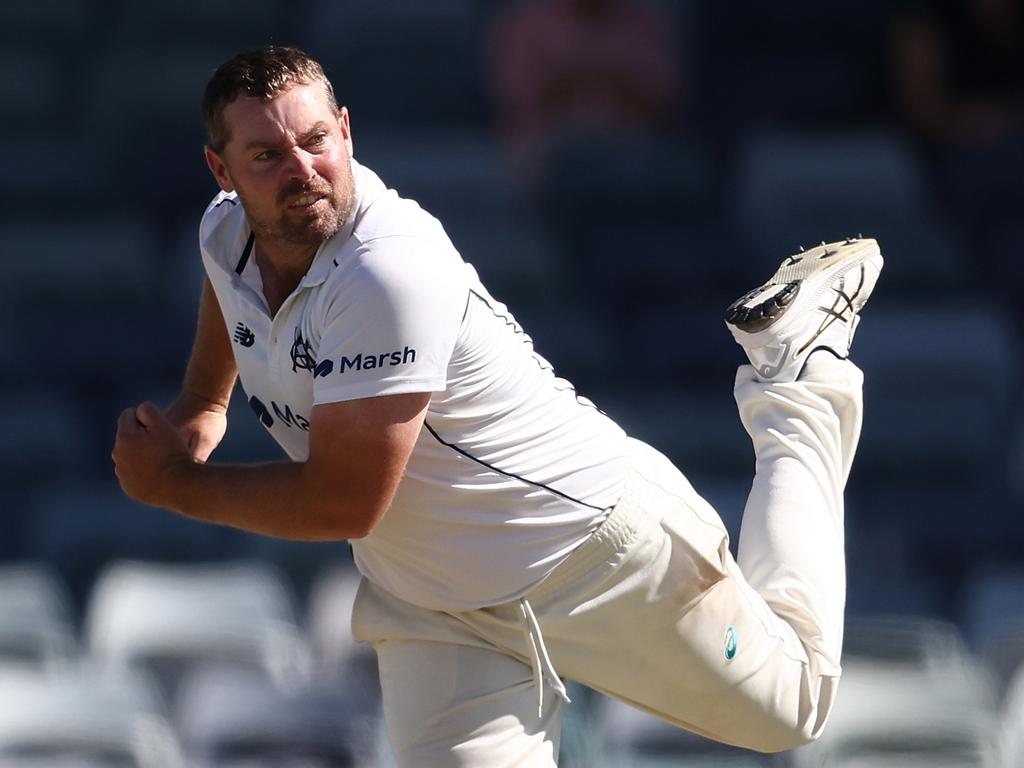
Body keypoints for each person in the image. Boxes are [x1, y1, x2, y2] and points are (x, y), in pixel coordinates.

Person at [112, 46, 883, 768]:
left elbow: (343, 502)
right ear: (223, 172)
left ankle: (795, 374)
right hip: (436, 606)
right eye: (267, 157)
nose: (302, 170)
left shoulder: (387, 273)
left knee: (794, 707)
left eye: (317, 140)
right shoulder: (226, 230)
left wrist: (175, 484)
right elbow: (229, 285)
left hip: (590, 550)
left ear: (346, 130)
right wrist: (204, 402)